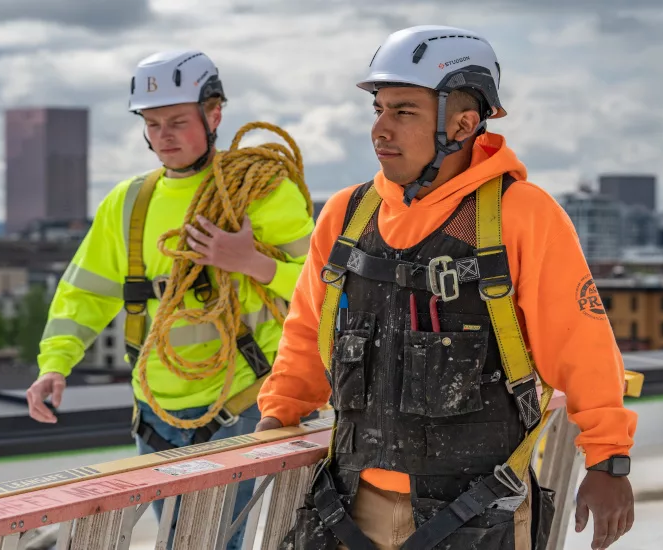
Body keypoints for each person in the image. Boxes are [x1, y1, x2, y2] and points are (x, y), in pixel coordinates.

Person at [255, 25, 637, 550]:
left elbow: (583, 346)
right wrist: (278, 414)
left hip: (476, 513)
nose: (380, 129)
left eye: (404, 111)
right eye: (378, 109)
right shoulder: (346, 215)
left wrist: (608, 461)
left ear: (463, 123)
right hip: (346, 506)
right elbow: (306, 331)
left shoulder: (519, 216)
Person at [25, 49, 315, 550]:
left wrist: (250, 262)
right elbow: (85, 291)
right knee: (182, 540)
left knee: (210, 542)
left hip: (241, 402)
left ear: (215, 114)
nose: (164, 135)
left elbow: (326, 287)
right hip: (155, 413)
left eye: (178, 121)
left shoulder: (262, 192)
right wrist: (56, 364)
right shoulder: (130, 203)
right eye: (153, 123)